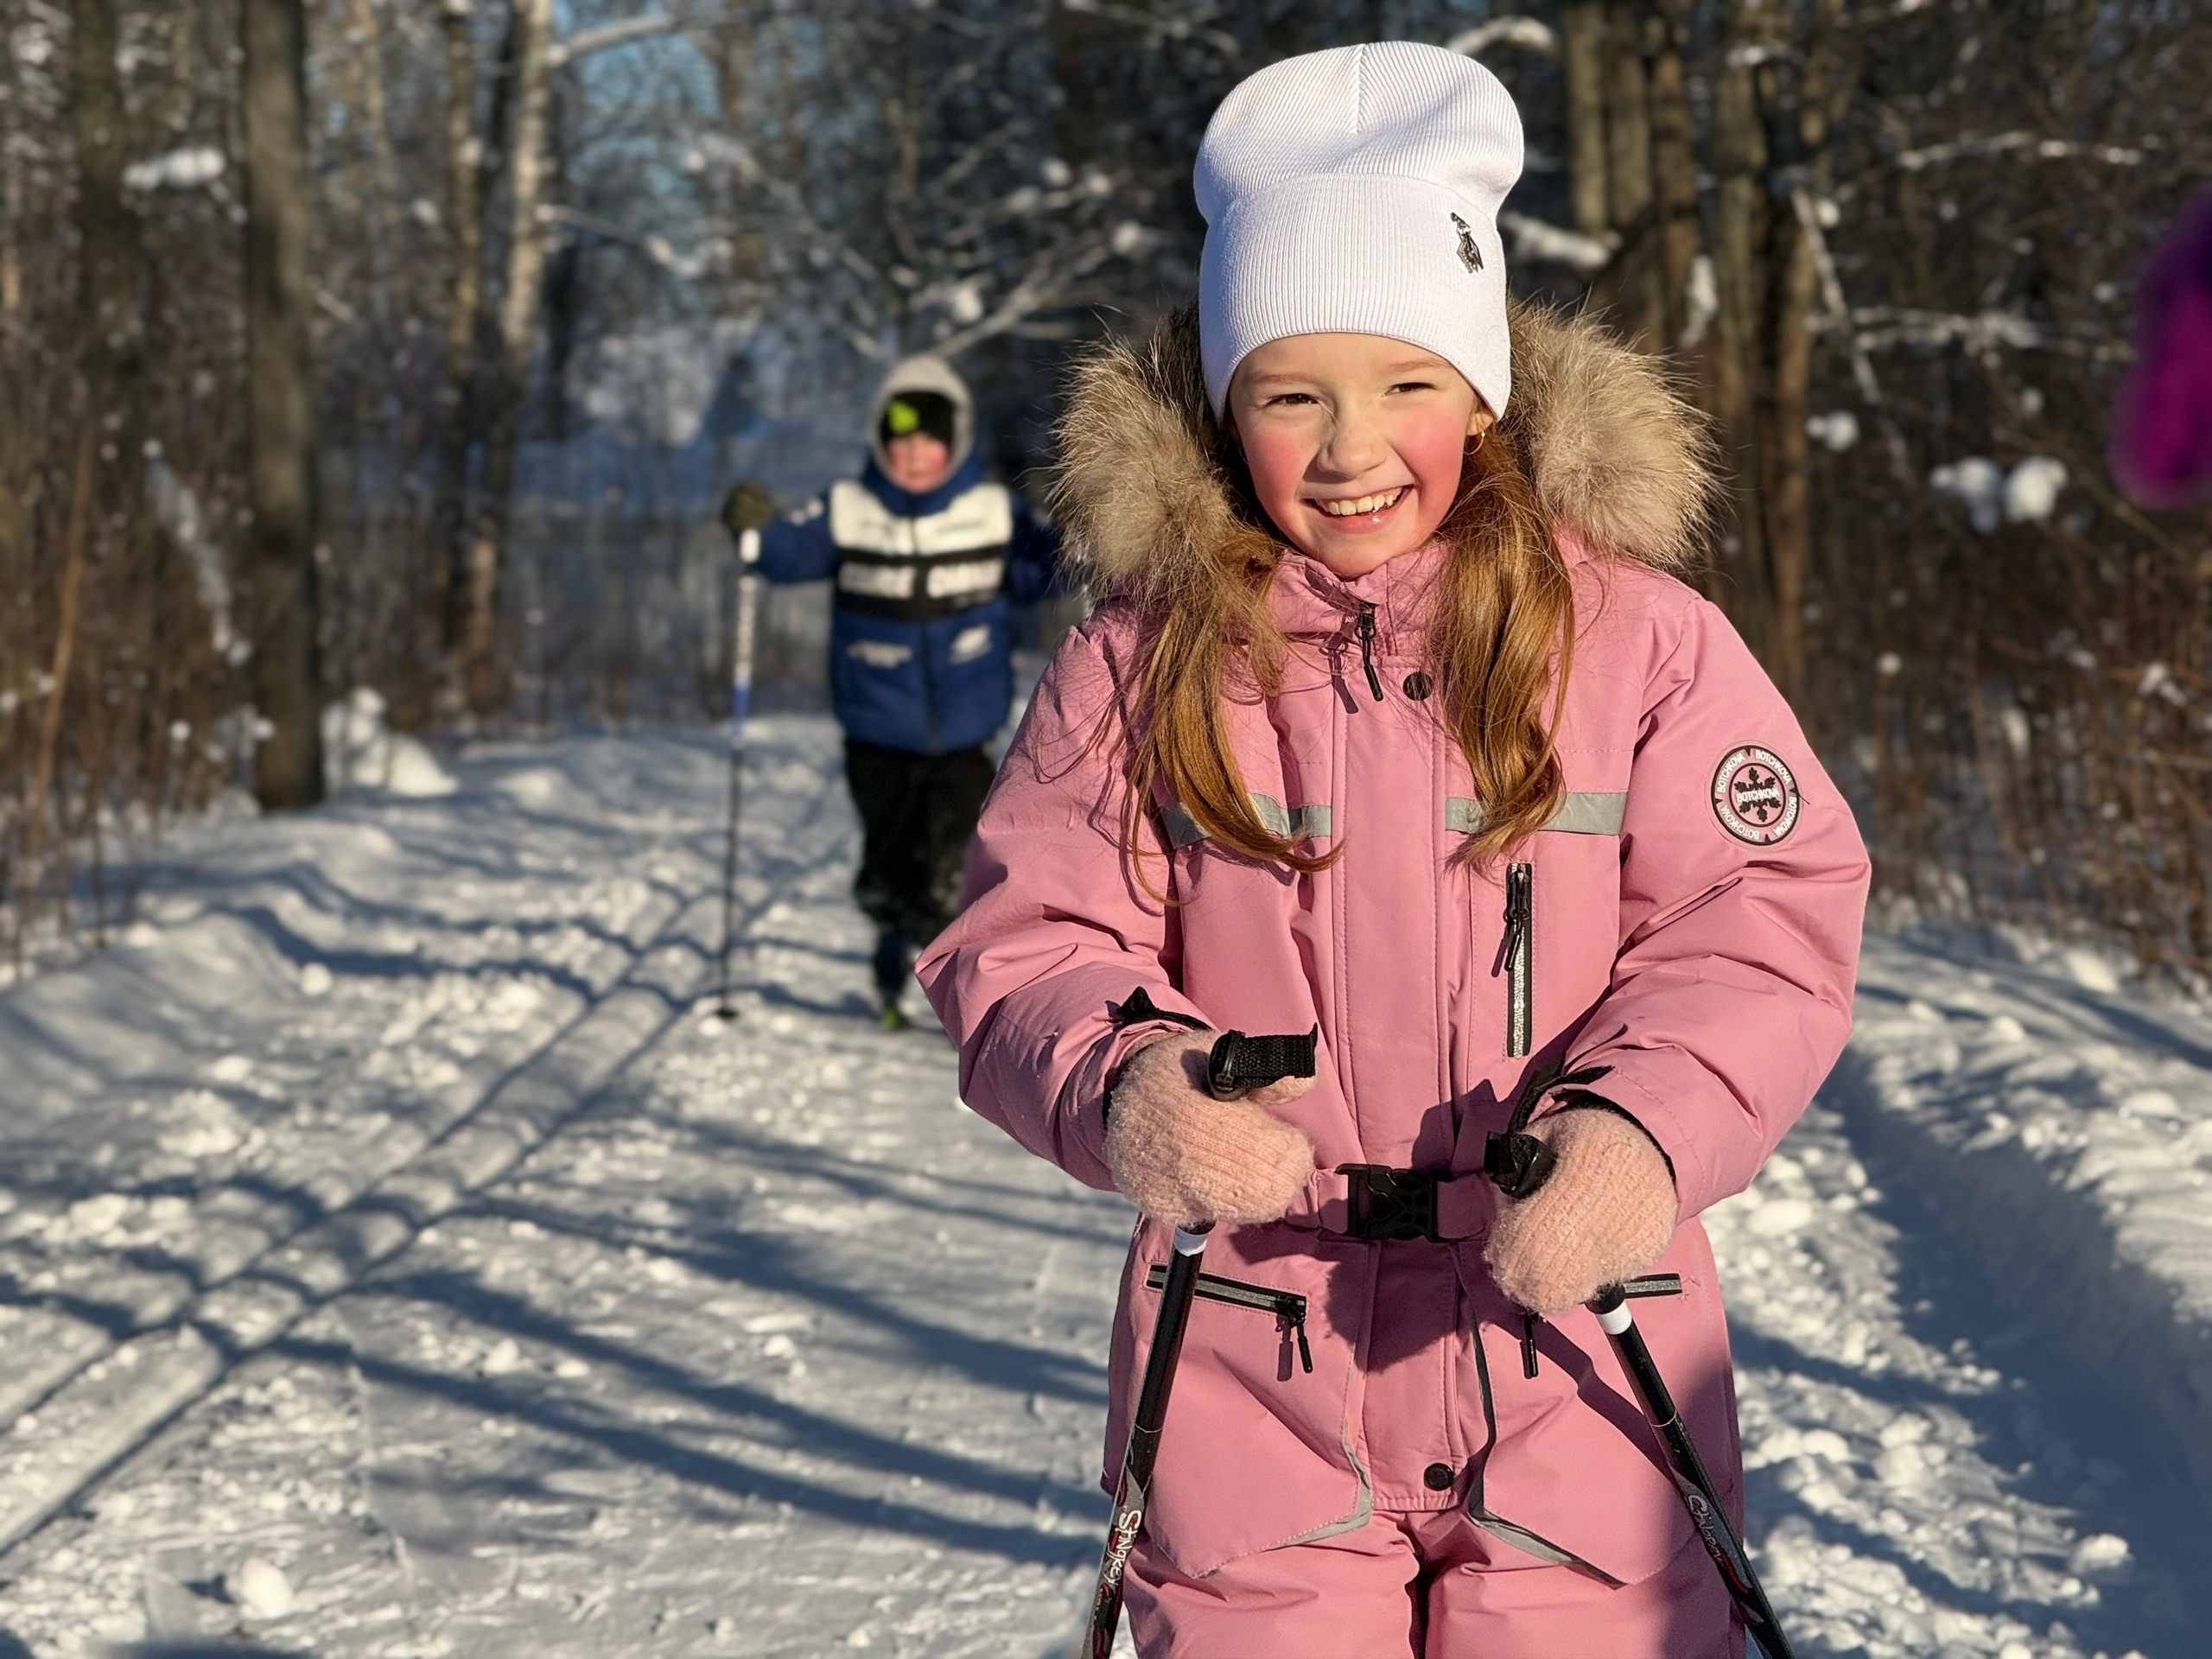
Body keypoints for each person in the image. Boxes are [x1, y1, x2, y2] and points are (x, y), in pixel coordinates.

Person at [918, 42, 1868, 1657]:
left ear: (1483, 390)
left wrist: (1640, 1136)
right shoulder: (1141, 660)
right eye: (1293, 395)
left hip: (1580, 1343)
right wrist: (1130, 1082)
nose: (1352, 447)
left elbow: (1759, 922)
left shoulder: (1640, 642)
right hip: (1251, 1362)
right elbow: (1024, 940)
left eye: (1408, 384)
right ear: (1226, 411)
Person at [721, 355, 1059, 1027]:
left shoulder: (991, 512)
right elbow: (781, 554)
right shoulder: (849, 510)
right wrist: (750, 527)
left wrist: (1088, 525)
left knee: (961, 859)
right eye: (899, 438)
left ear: (955, 440)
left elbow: (1044, 572)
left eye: (929, 438)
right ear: (880, 440)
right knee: (890, 858)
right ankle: (890, 955)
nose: (914, 454)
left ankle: (953, 979)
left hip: (965, 730)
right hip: (875, 730)